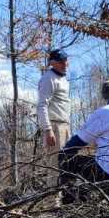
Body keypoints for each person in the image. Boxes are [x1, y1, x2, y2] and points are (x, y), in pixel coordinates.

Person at [37, 49, 73, 184]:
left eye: (66, 61)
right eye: (61, 62)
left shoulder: (63, 79)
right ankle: (53, 196)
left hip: (65, 125)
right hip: (55, 127)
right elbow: (42, 105)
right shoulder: (48, 78)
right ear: (52, 63)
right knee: (55, 166)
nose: (65, 64)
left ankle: (64, 194)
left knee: (67, 164)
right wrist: (48, 129)